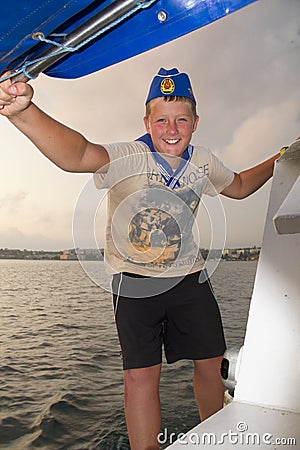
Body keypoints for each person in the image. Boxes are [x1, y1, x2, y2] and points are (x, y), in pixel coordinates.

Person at [0, 67, 285, 449]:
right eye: (162, 119)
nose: (172, 129)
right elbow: (79, 154)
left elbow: (239, 186)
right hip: (133, 284)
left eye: (182, 119)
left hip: (190, 279)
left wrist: (279, 157)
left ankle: (216, 437)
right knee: (139, 377)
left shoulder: (203, 162)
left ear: (196, 122)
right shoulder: (131, 155)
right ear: (147, 122)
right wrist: (23, 112)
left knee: (210, 364)